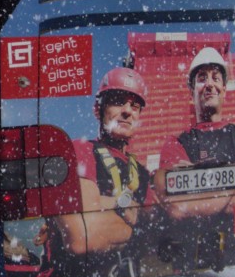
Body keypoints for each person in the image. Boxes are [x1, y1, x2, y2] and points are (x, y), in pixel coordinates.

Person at [48, 67, 156, 255]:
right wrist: (127, 209)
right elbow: (84, 235)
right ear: (99, 109)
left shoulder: (143, 173)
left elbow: (158, 223)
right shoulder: (80, 150)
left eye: (134, 106)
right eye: (118, 102)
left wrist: (105, 204)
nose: (127, 111)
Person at [155, 46, 235, 223]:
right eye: (202, 78)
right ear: (192, 91)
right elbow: (177, 206)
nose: (210, 84)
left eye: (215, 78)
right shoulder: (176, 143)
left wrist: (196, 175)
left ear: (224, 89)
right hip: (198, 246)